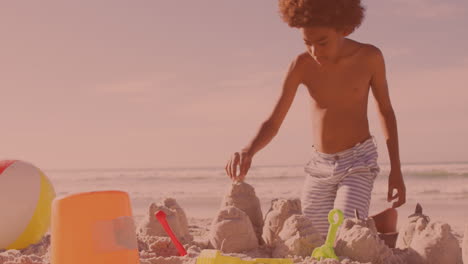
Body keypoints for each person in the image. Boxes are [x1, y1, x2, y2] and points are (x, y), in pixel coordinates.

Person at [225, 0, 405, 238]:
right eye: (307, 43)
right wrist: (249, 149)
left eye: (322, 42)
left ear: (345, 29)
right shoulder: (301, 65)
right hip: (319, 166)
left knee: (342, 235)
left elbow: (385, 110)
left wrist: (396, 170)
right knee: (314, 238)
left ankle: (372, 225)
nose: (315, 51)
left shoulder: (369, 57)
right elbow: (274, 121)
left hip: (358, 161)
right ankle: (378, 223)